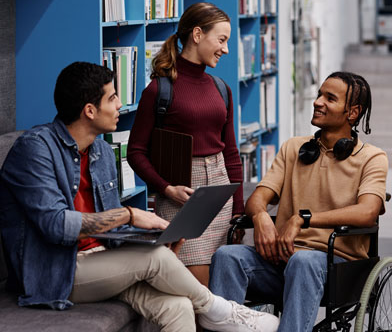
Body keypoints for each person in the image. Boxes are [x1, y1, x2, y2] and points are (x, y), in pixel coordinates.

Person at [0, 61, 279, 332]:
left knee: (179, 306)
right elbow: (55, 225)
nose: (120, 104)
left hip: (103, 261)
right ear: (89, 110)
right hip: (56, 271)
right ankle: (218, 310)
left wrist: (148, 239)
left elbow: (114, 229)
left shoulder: (102, 153)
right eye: (112, 98)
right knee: (155, 260)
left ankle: (212, 311)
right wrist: (130, 214)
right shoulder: (35, 150)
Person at [209, 71, 388, 332]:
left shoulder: (373, 157)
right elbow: (258, 198)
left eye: (330, 98)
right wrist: (260, 218)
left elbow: (367, 212)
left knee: (304, 261)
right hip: (281, 260)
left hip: (336, 267)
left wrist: (301, 219)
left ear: (353, 112)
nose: (318, 102)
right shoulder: (294, 148)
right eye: (319, 95)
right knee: (227, 256)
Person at [127, 2, 244, 287]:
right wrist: (166, 189)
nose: (225, 49)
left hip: (220, 192)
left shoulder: (221, 88)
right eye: (221, 39)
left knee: (221, 284)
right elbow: (136, 152)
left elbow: (230, 153)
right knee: (197, 287)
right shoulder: (159, 90)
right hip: (181, 197)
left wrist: (238, 211)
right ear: (197, 34)